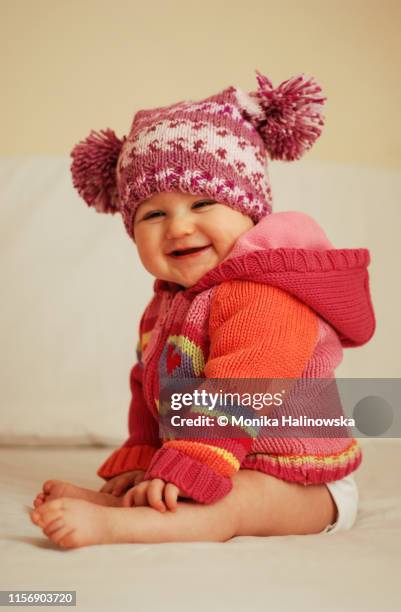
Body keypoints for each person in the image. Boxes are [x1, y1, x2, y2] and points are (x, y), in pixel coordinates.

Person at [30, 70, 376, 549]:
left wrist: (191, 463)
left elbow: (242, 385)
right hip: (212, 460)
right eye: (153, 213)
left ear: (250, 211)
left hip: (302, 481)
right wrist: (142, 459)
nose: (178, 227)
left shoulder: (263, 292)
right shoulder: (166, 307)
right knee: (199, 488)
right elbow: (149, 393)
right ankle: (136, 502)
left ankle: (118, 527)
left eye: (203, 202)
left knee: (233, 504)